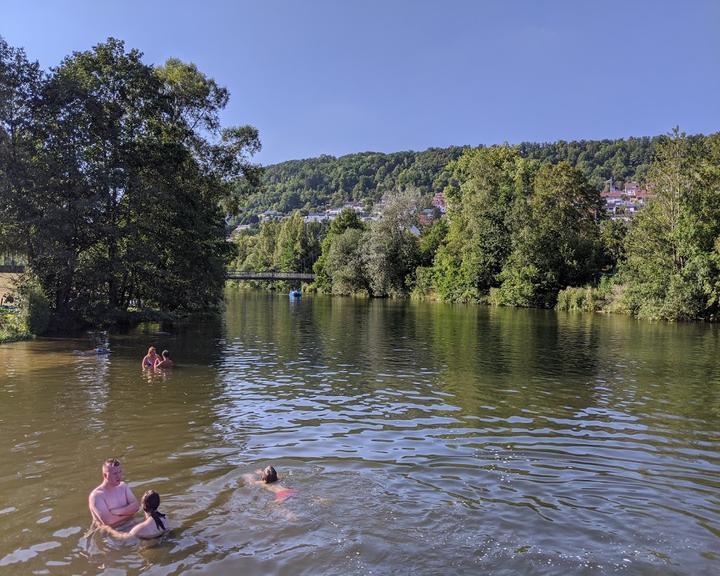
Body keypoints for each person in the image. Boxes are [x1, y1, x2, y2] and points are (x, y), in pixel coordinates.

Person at [88, 458, 140, 528]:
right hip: (111, 532)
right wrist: (130, 513)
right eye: (115, 473)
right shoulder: (96, 496)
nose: (119, 476)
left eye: (120, 472)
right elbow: (109, 522)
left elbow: (136, 507)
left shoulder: (123, 486)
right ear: (105, 475)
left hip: (131, 525)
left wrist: (117, 512)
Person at [99, 490, 168, 541]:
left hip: (149, 550)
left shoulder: (139, 529)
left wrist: (108, 529)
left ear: (143, 506)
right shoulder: (165, 518)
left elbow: (122, 538)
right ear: (158, 504)